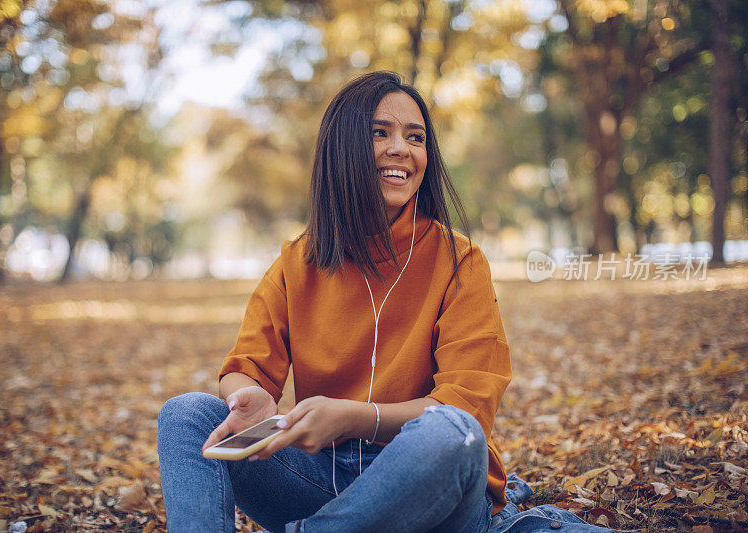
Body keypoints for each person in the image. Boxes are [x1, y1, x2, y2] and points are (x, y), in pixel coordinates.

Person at [158, 71, 612, 533]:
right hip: (322, 480)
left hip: (431, 487)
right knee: (186, 414)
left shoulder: (460, 261)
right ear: (343, 149)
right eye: (381, 132)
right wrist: (244, 395)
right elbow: (247, 366)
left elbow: (468, 411)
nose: (402, 148)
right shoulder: (299, 260)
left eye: (415, 137)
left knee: (449, 429)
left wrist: (357, 418)